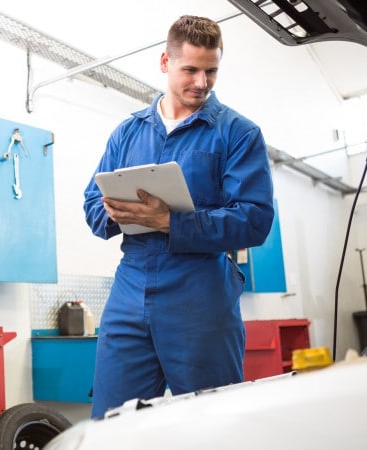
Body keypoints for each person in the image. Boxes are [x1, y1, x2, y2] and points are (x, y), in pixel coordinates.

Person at [83, 15, 274, 418]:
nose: (202, 82)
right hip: (130, 289)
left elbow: (255, 219)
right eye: (191, 69)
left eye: (211, 71)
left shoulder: (238, 133)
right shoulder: (127, 133)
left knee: (213, 422)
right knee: (112, 424)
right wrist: (115, 212)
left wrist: (170, 221)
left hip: (200, 290)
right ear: (165, 62)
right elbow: (90, 206)